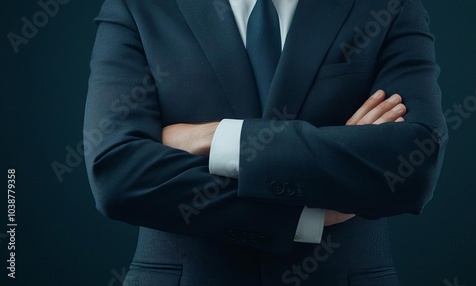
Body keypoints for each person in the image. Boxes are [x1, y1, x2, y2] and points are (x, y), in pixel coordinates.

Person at [84, 0, 448, 285]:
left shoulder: (388, 5)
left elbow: (414, 163)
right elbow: (117, 173)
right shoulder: (137, 6)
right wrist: (306, 217)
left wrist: (214, 137)